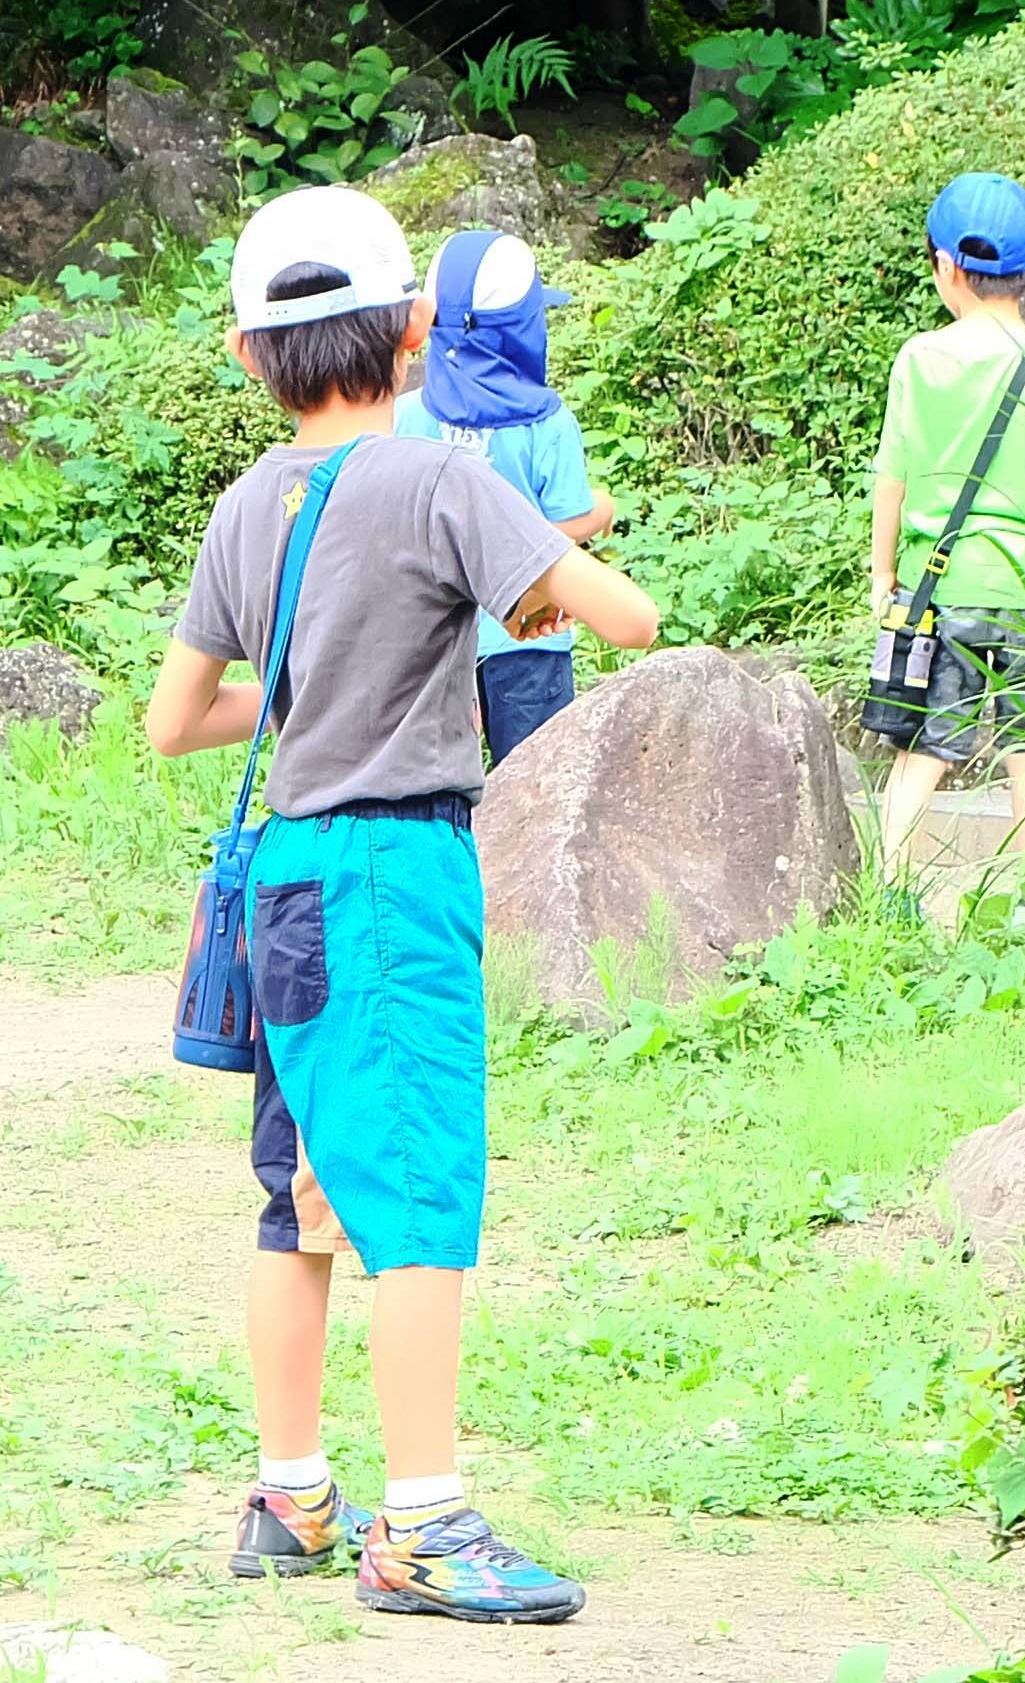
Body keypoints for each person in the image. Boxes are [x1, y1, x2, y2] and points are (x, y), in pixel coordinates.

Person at [144, 186, 659, 1624]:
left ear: (251, 357)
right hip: (391, 877)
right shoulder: (438, 480)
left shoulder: (248, 506)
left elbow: (176, 720)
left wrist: (313, 692)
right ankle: (425, 1521)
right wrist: (538, 597)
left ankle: (294, 1494)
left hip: (288, 884)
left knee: (297, 1197)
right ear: (419, 332)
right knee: (420, 1189)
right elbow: (630, 616)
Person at [868, 172, 1025, 886]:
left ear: (947, 268)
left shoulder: (921, 359)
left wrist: (884, 578)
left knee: (924, 749)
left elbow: (893, 478)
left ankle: (892, 892)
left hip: (943, 589)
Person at [394, 229, 615, 766]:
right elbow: (562, 523)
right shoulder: (549, 423)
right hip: (531, 637)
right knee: (541, 785)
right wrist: (602, 509)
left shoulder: (405, 415)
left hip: (434, 643)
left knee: (449, 794)